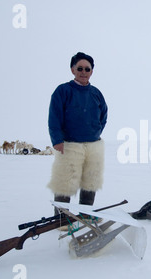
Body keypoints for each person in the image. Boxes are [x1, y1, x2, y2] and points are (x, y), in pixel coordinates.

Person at [47, 52, 108, 213]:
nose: (83, 72)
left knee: (90, 181)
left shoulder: (96, 93)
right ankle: (61, 218)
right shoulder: (63, 91)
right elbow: (54, 117)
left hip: (93, 145)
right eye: (79, 68)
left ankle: (86, 214)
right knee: (65, 182)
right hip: (69, 144)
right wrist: (57, 140)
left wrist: (94, 132)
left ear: (91, 71)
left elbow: (104, 115)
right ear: (72, 70)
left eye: (87, 69)